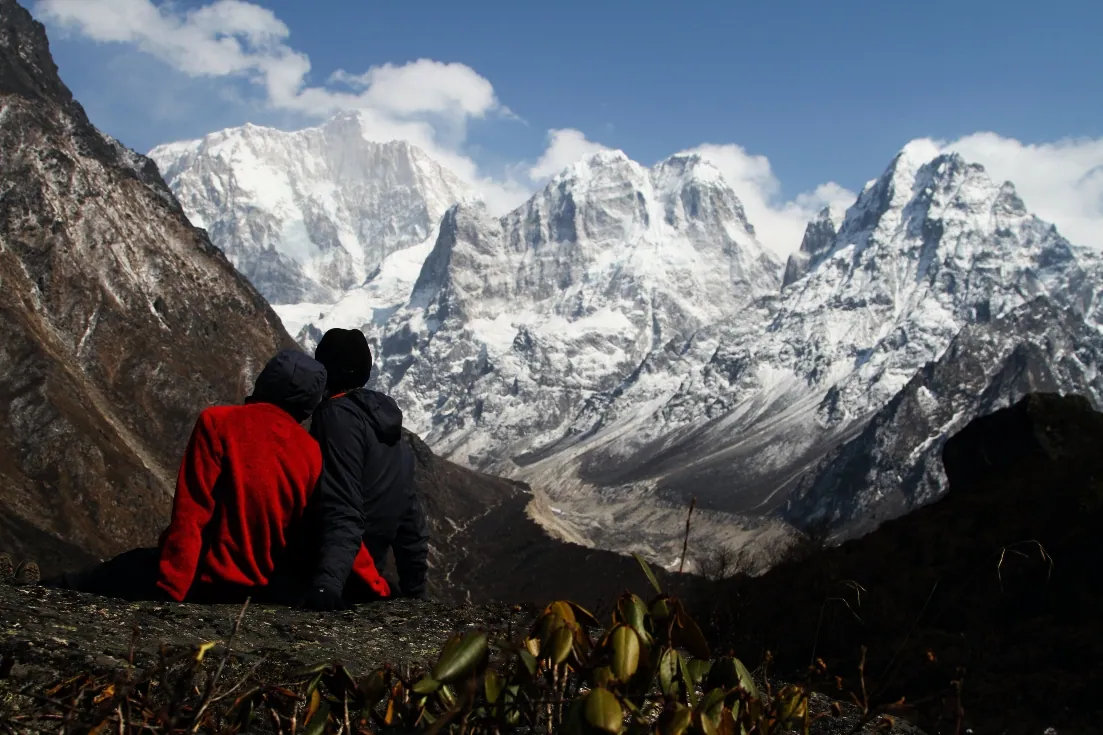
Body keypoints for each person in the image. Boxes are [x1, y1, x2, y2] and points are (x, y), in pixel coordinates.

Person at [46, 349, 391, 604]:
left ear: (264, 382)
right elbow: (337, 524)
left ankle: (40, 588)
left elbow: (192, 514)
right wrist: (378, 587)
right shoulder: (311, 450)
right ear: (309, 404)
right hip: (266, 589)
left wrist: (172, 590)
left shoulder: (218, 422)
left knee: (114, 571)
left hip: (206, 579)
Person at [301, 328, 429, 611]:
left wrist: (327, 585)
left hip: (338, 578)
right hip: (368, 579)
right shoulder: (390, 427)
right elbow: (412, 525)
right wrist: (416, 594)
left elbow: (342, 505)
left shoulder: (335, 418)